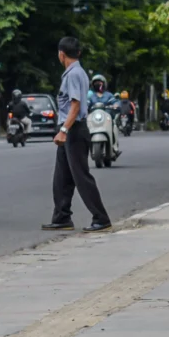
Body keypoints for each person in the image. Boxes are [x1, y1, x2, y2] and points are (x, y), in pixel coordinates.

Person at [43, 37, 111, 233]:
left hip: (73, 130)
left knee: (81, 176)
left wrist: (63, 130)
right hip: (71, 129)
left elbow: (76, 105)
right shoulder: (77, 72)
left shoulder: (73, 74)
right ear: (78, 53)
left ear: (61, 54)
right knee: (61, 178)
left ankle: (101, 218)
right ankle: (62, 217)